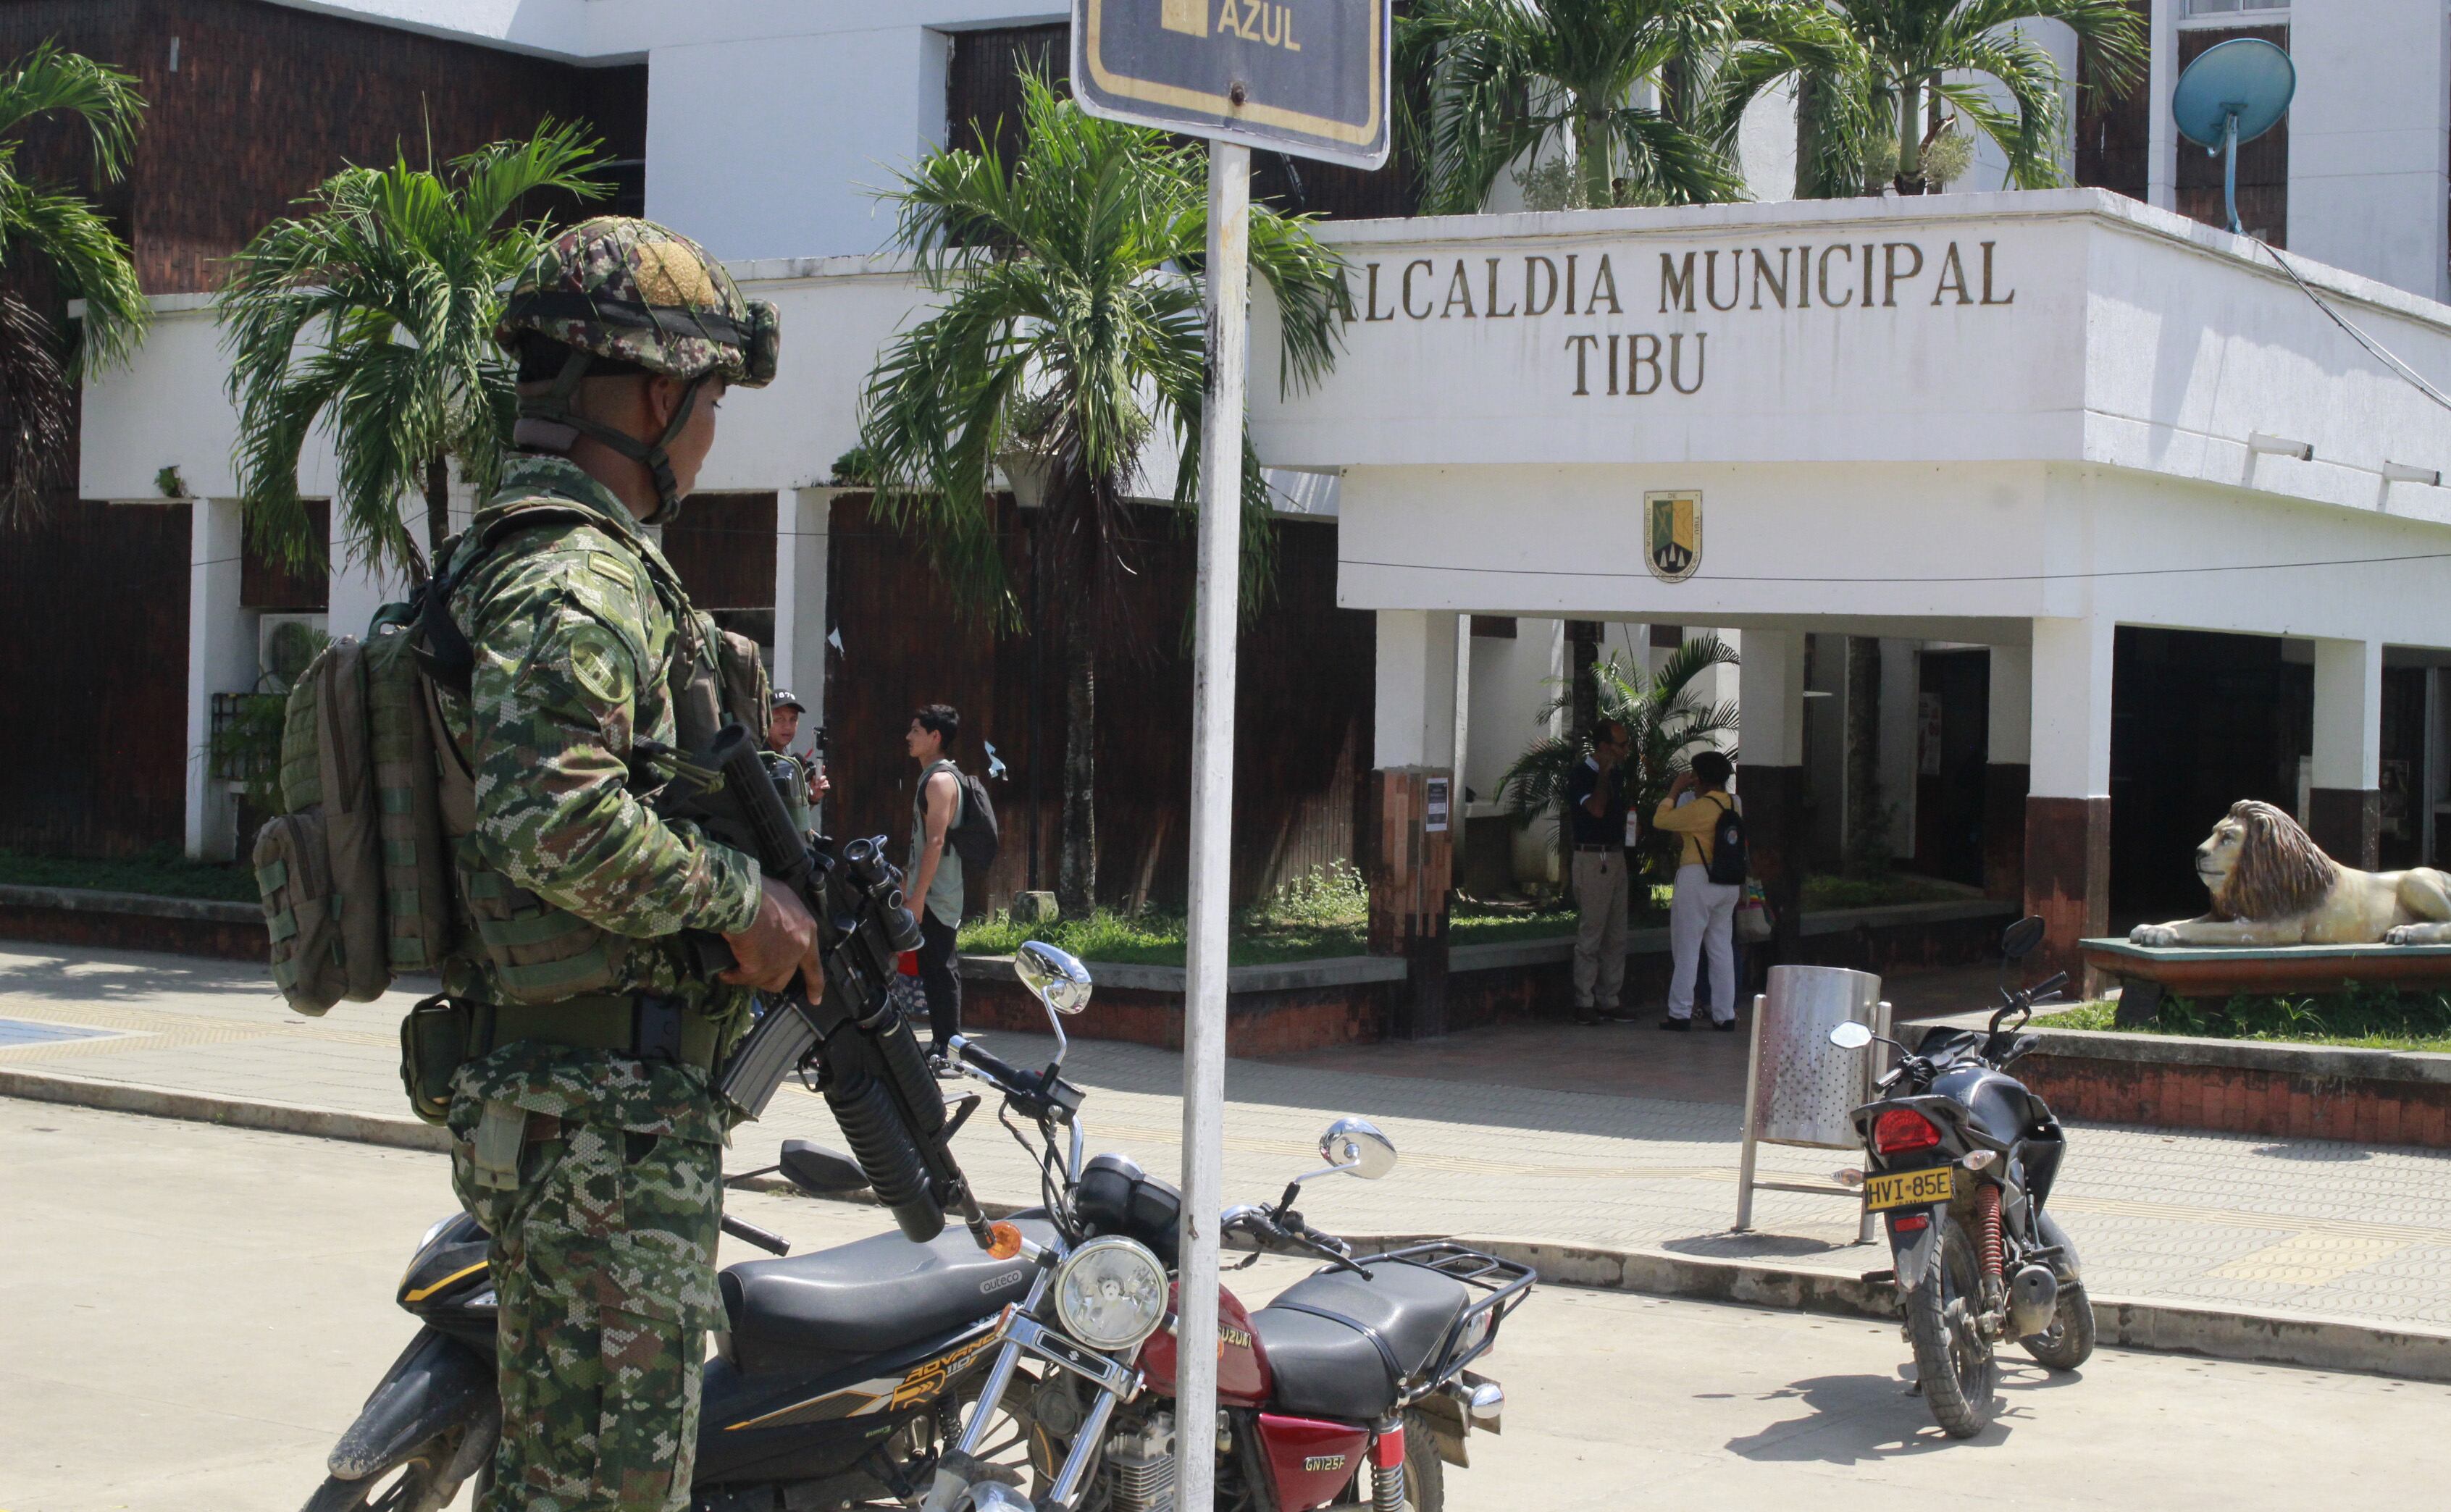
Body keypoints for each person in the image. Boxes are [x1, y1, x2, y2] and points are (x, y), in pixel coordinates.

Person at [437, 217, 816, 1512]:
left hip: (580, 1109)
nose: (707, 438)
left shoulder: (531, 554)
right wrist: (748, 905)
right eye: (710, 405)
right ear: (659, 396)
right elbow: (551, 813)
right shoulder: (579, 577)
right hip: (603, 1124)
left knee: (558, 1483)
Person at [1654, 749, 1741, 1031]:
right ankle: (1725, 1015)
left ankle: (1680, 1013)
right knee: (1721, 948)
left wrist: (1674, 790)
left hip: (1697, 878)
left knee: (1687, 948)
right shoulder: (1734, 803)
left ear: (1700, 778)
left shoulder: (1701, 807)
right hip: (1727, 881)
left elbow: (1661, 820)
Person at [1566, 720, 1635, 1026]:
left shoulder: (1619, 774)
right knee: (1592, 932)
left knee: (1616, 934)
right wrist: (1603, 775)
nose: (1626, 750)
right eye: (1621, 745)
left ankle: (1610, 998)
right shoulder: (1582, 774)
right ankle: (1584, 1000)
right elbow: (1596, 809)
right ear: (1604, 747)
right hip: (1592, 858)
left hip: (1616, 855)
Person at [906, 704, 965, 1051]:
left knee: (941, 969)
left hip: (938, 894)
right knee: (933, 968)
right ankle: (944, 1045)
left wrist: (918, 897)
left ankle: (949, 1048)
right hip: (928, 891)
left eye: (916, 730)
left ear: (935, 737)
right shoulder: (930, 778)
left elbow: (936, 842)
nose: (909, 737)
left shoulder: (941, 781)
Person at [768, 688, 830, 813]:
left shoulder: (784, 758)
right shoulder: (758, 759)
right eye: (779, 719)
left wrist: (812, 797)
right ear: (765, 720)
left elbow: (789, 818)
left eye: (793, 719)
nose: (787, 726)